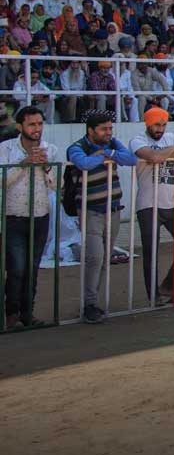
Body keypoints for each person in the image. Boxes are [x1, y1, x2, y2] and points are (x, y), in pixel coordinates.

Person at [66, 110, 138, 323]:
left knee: (105, 257)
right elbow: (83, 163)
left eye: (110, 128)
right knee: (95, 257)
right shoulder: (77, 147)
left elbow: (131, 159)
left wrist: (108, 154)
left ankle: (94, 300)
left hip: (113, 209)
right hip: (90, 210)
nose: (108, 132)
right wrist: (103, 155)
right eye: (104, 129)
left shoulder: (112, 143)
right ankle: (89, 303)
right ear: (91, 130)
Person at [129, 107, 174, 305]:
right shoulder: (138, 140)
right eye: (156, 125)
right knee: (151, 253)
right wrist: (173, 151)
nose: (160, 129)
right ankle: (154, 295)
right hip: (148, 204)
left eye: (163, 124)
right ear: (147, 124)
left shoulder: (171, 136)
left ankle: (168, 286)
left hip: (173, 202)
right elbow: (152, 157)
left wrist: (164, 153)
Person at [2, 106, 60, 329]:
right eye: (32, 124)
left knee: (33, 268)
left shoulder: (50, 149)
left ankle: (27, 313)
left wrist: (46, 167)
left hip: (40, 215)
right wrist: (23, 163)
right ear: (20, 127)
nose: (37, 129)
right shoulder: (5, 149)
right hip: (13, 216)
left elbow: (58, 186)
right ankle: (11, 314)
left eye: (39, 124)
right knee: (16, 268)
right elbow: (1, 182)